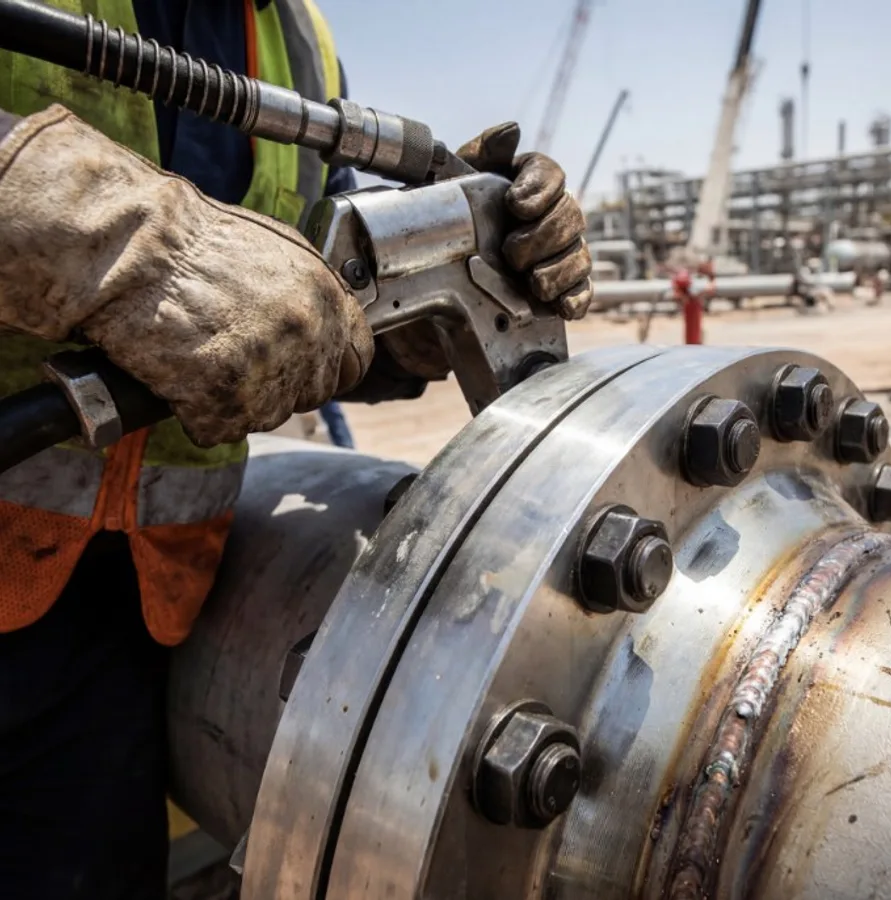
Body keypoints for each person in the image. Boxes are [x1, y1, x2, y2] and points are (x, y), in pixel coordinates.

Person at [0, 2, 592, 897]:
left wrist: (423, 306)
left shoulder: (293, 36)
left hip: (130, 615)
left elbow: (297, 290)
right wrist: (100, 233)